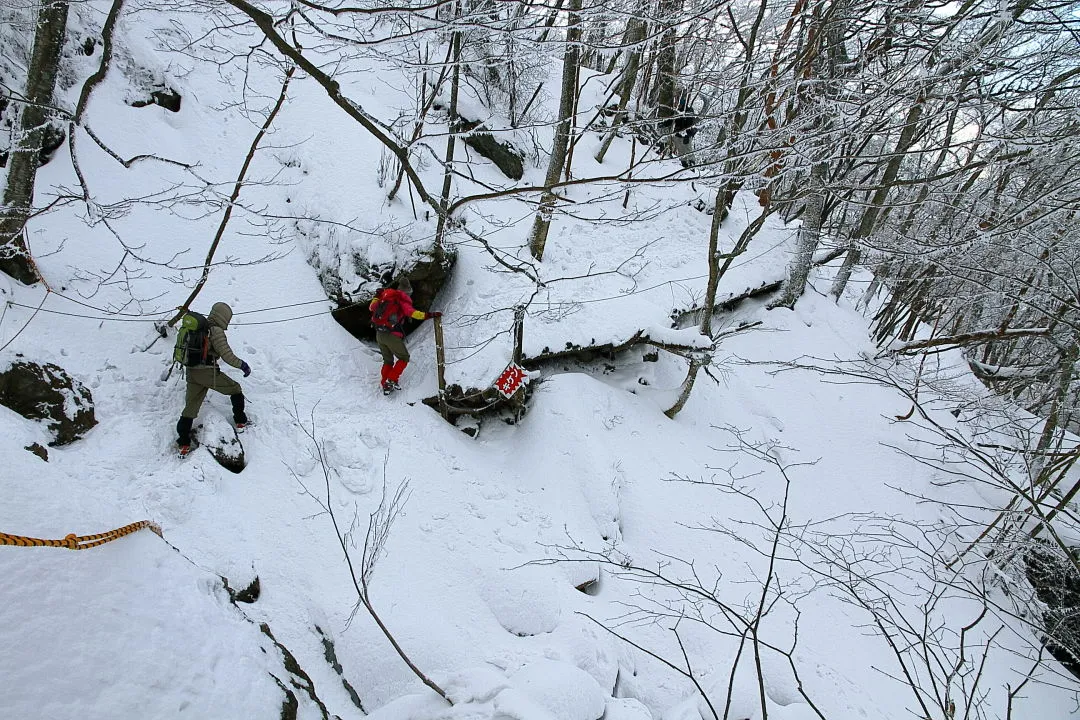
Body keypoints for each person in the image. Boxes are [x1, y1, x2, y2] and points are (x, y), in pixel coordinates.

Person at [176, 302, 251, 455]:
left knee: (190, 409)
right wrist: (242, 365)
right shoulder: (215, 331)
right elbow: (227, 355)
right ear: (224, 317)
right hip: (208, 373)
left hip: (191, 372)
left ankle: (183, 444)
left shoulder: (201, 327)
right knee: (235, 389)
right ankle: (241, 421)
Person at [369, 277, 440, 393]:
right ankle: (391, 380)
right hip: (392, 335)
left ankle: (384, 383)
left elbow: (371, 307)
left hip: (379, 333)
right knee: (404, 358)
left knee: (388, 361)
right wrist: (429, 315)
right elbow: (413, 313)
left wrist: (377, 296)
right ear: (408, 292)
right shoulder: (402, 300)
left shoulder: (386, 296)